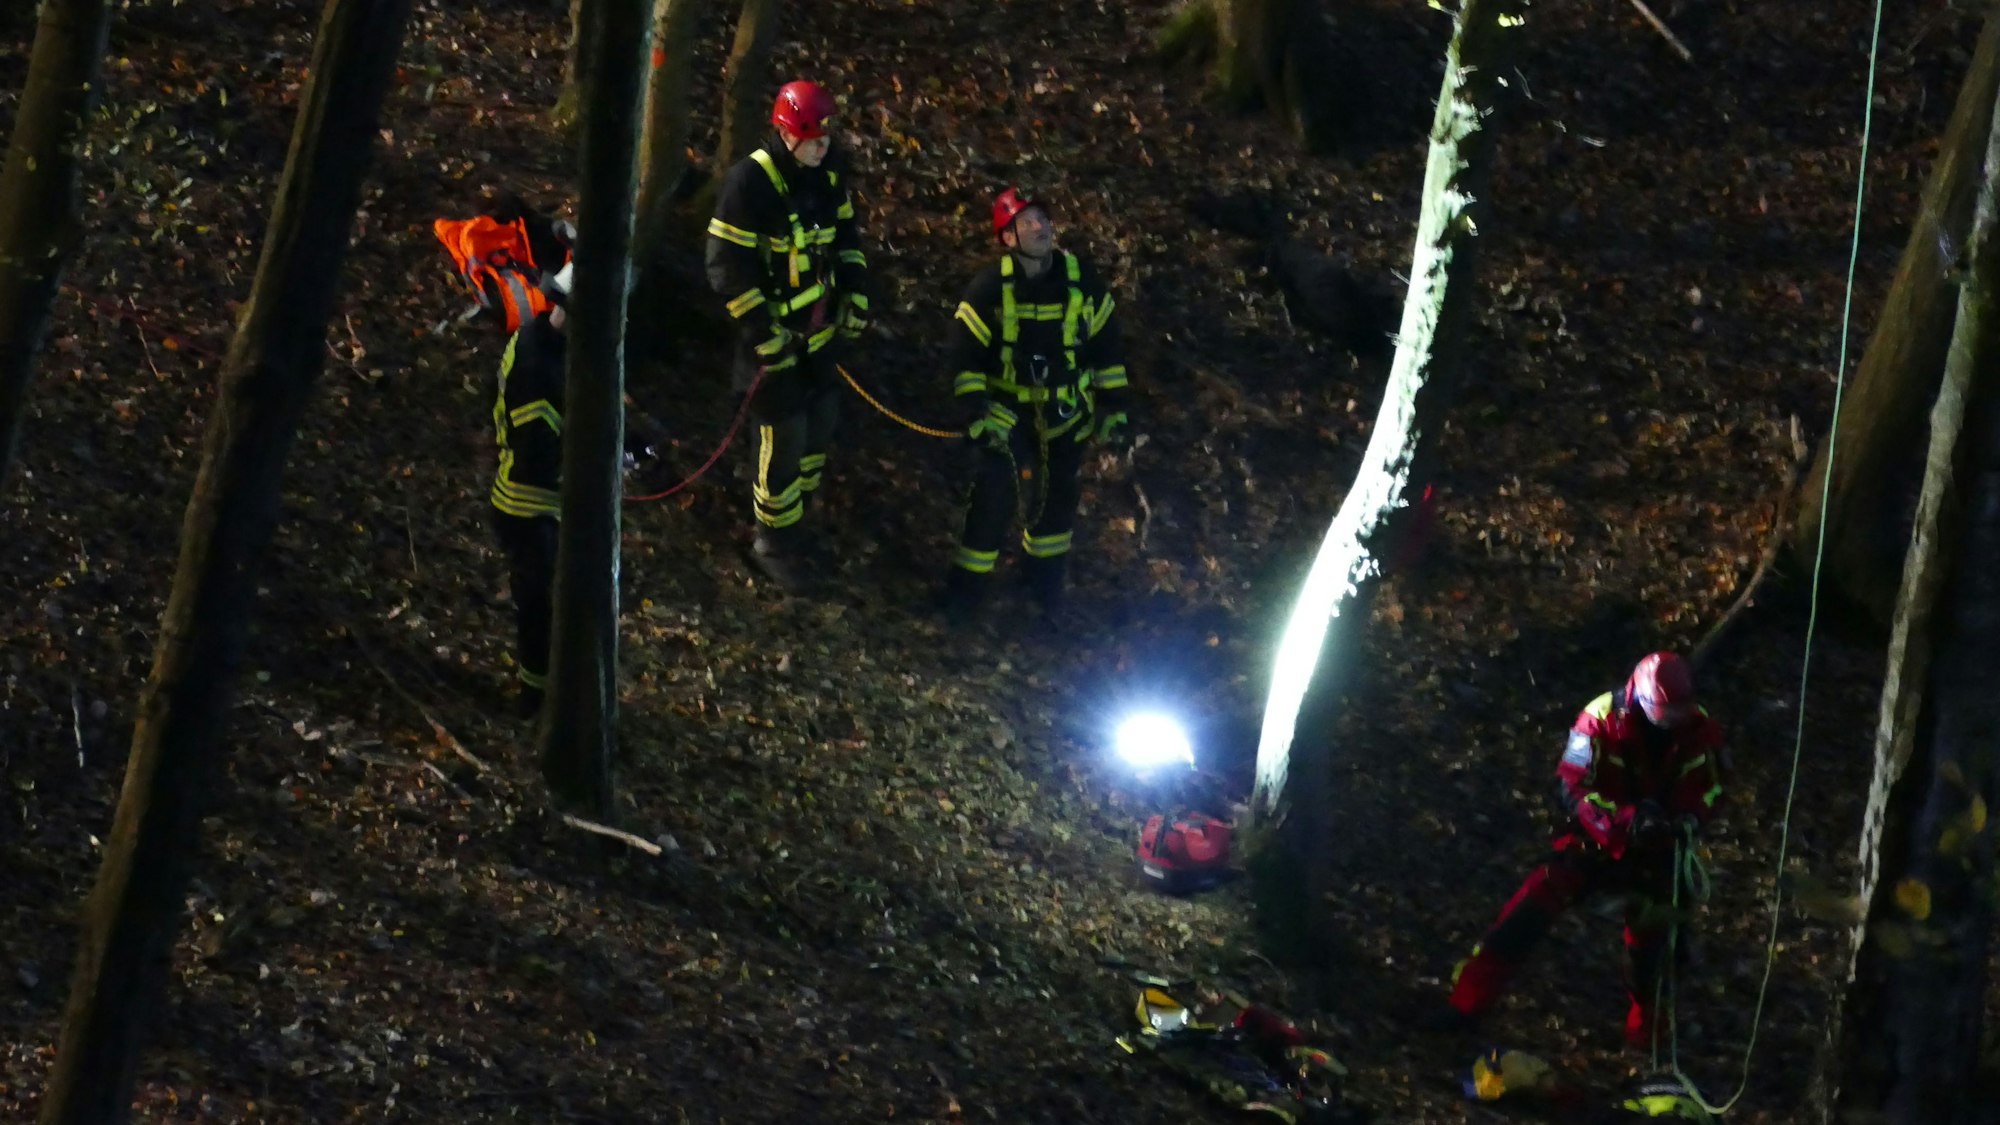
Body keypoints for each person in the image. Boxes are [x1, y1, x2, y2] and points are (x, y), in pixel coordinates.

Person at [1443, 652, 1727, 1049]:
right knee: (1530, 909)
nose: (1672, 721)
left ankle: (1649, 1037)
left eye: (1677, 712)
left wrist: (1688, 818)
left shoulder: (1698, 726)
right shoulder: (1600, 718)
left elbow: (1709, 786)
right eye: (1665, 713)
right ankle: (1466, 1002)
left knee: (1657, 942)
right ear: (1642, 700)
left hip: (1660, 849)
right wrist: (1626, 819)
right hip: (1596, 840)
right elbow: (1573, 787)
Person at [705, 79, 870, 592]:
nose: (822, 148)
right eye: (813, 140)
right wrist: (762, 333)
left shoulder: (829, 171)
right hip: (772, 340)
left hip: (819, 336)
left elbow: (845, 239)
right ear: (785, 131)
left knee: (817, 433)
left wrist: (857, 294)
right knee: (783, 437)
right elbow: (724, 265)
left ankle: (797, 530)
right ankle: (770, 542)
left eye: (826, 139)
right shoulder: (749, 183)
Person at [937, 187, 1130, 624]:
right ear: (1007, 238)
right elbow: (961, 359)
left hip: (1067, 417)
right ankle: (965, 597)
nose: (1040, 227)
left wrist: (1113, 408)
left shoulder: (1082, 282)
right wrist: (975, 413)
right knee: (993, 500)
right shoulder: (989, 289)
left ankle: (1041, 591)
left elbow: (1108, 351)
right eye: (1027, 223)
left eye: (1042, 219)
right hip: (1006, 420)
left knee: (1056, 506)